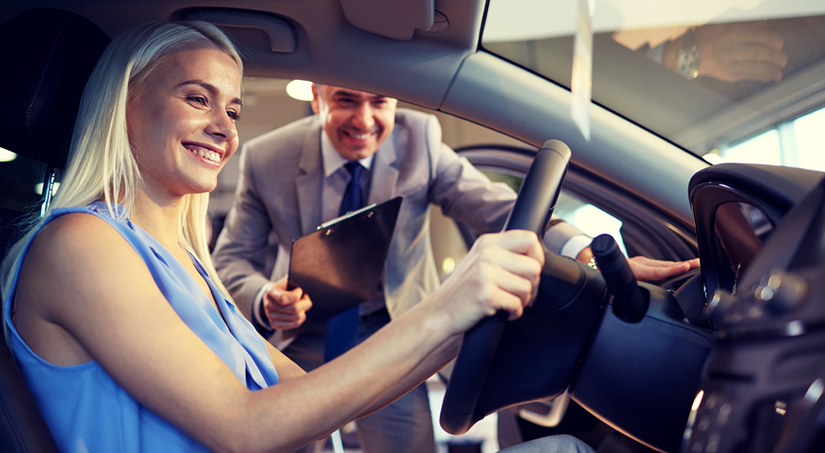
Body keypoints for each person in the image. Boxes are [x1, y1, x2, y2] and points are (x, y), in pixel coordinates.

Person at [0, 20, 597, 453]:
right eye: (197, 98)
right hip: (315, 337)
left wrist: (468, 323)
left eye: (233, 110)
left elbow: (307, 401)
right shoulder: (80, 245)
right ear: (123, 105)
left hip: (376, 333)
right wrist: (447, 308)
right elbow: (244, 425)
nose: (222, 127)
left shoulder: (183, 263)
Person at [211, 83, 699, 451]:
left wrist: (587, 255)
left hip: (393, 332)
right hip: (306, 335)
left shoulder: (420, 140)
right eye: (345, 101)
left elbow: (499, 209)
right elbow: (232, 259)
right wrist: (263, 299)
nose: (364, 120)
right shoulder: (266, 158)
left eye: (379, 102)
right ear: (317, 97)